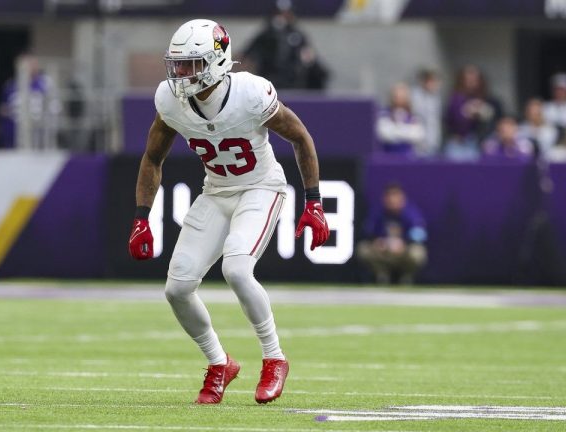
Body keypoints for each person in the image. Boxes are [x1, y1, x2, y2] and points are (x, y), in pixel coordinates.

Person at [128, 19, 329, 405]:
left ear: (218, 60)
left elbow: (300, 137)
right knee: (178, 288)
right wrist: (141, 217)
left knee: (236, 268)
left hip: (261, 187)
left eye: (191, 64)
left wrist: (314, 201)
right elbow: (153, 157)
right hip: (216, 191)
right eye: (178, 64)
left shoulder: (251, 92)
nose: (182, 74)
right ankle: (219, 363)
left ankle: (274, 358)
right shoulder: (170, 100)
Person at [357, 183, 427, 285]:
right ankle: (381, 274)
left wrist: (404, 242)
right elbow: (367, 231)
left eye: (395, 196)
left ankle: (406, 276)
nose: (392, 200)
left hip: (403, 252)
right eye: (389, 196)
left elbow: (421, 233)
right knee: (363, 249)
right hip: (383, 252)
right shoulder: (378, 213)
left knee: (418, 253)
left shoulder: (411, 213)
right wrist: (378, 241)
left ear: (402, 198)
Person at [241, 1, 311, 89]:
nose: (283, 17)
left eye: (286, 13)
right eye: (279, 13)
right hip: (267, 82)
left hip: (291, 83)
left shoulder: (297, 35)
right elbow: (246, 55)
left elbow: (308, 57)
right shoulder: (264, 35)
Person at [444, 65, 502, 161]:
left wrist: (482, 112)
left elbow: (493, 119)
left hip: (476, 142)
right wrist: (467, 113)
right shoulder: (456, 99)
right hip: (457, 143)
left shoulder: (486, 98)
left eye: (474, 78)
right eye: (468, 78)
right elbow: (450, 120)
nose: (471, 81)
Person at [376, 83, 426, 156]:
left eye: (402, 97)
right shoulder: (384, 114)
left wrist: (395, 129)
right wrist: (405, 131)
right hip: (388, 156)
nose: (399, 100)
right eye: (396, 97)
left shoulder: (413, 116)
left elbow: (418, 135)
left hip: (407, 158)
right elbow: (384, 134)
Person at [410, 68, 442, 157]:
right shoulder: (415, 96)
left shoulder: (435, 97)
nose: (435, 85)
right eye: (432, 81)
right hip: (418, 144)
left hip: (433, 143)